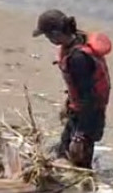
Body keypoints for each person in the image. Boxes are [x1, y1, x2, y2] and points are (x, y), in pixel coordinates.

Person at [33, 9, 110, 169]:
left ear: (55, 34)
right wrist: (68, 104)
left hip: (89, 115)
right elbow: (80, 88)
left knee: (79, 160)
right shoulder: (78, 40)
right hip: (80, 111)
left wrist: (80, 136)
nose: (48, 40)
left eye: (47, 36)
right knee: (63, 151)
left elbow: (89, 96)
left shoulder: (78, 59)